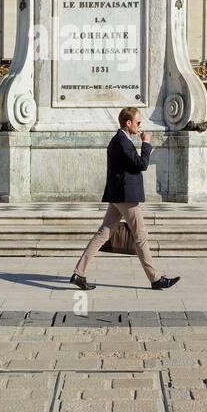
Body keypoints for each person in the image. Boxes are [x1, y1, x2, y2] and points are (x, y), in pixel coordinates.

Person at [71, 107, 180, 291]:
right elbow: (141, 164)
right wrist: (146, 144)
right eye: (138, 122)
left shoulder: (121, 140)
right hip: (126, 196)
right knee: (140, 236)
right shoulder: (122, 141)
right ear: (128, 123)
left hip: (119, 195)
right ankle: (156, 279)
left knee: (103, 234)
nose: (140, 126)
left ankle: (78, 273)